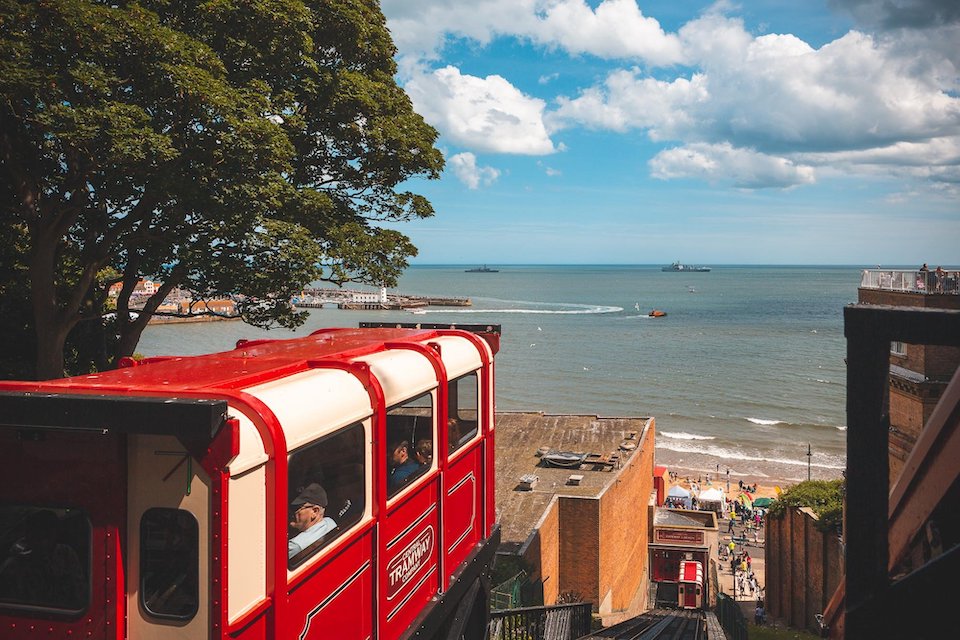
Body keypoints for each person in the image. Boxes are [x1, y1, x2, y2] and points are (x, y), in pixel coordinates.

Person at [0, 510, 85, 608]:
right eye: (38, 536)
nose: (43, 543)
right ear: (28, 536)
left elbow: (79, 594)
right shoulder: (13, 566)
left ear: (56, 534)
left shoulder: (66, 554)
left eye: (47, 535)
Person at [288, 483, 337, 559]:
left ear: (315, 511)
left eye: (295, 508)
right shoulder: (330, 522)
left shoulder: (295, 546)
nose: (289, 512)